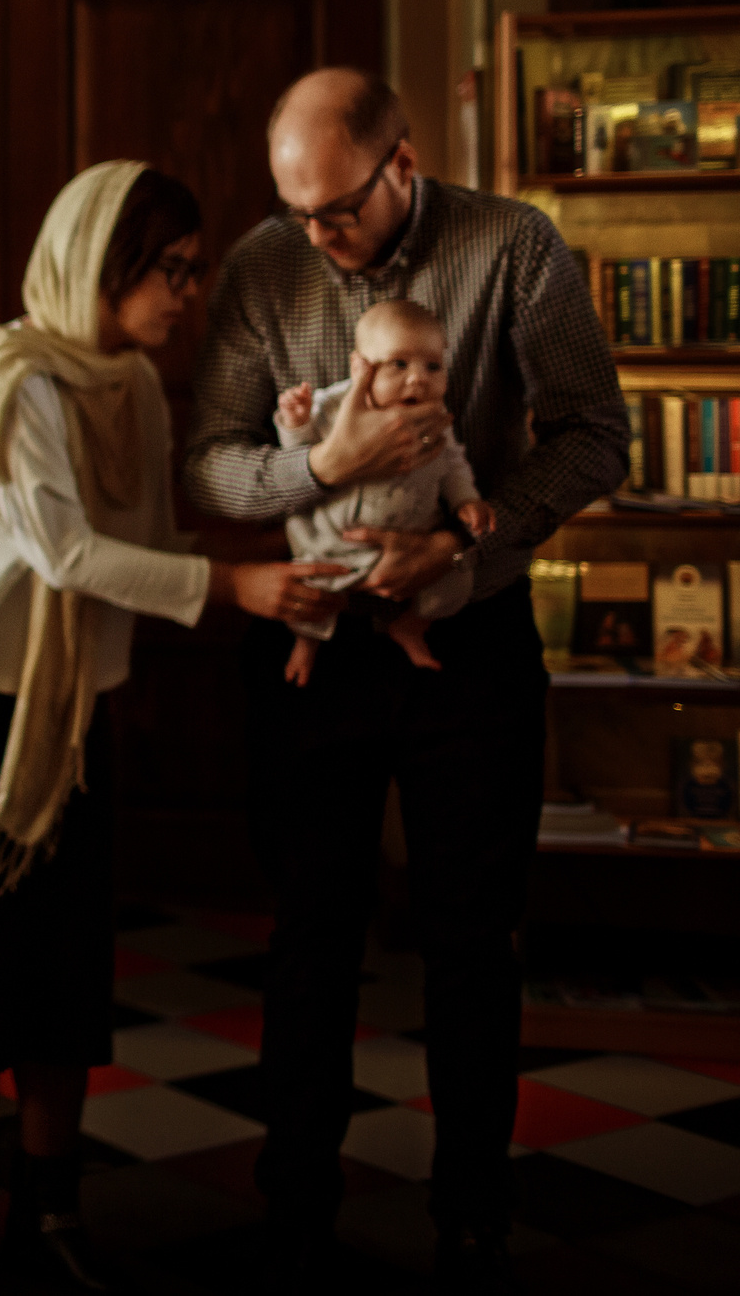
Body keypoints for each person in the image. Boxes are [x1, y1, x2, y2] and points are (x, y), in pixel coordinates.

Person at [184, 68, 628, 1291]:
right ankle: (294, 1207)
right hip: (313, 637)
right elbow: (210, 465)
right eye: (295, 212)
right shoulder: (262, 268)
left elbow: (595, 433)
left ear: (402, 165)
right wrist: (323, 465)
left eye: (338, 210)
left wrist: (466, 544)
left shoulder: (511, 247)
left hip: (467, 640)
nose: (315, 237)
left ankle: (473, 1214)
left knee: (472, 939)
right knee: (309, 934)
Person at [0, 162, 342, 1296]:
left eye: (192, 270)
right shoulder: (6, 379)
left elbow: (147, 542)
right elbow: (68, 555)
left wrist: (293, 541)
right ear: (98, 262)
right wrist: (234, 588)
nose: (186, 295)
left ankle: (50, 1212)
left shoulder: (131, 382)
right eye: (168, 271)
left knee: (65, 969)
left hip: (74, 706)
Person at [274, 299, 497, 685]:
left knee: (457, 579)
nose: (418, 379)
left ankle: (411, 625)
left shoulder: (435, 417)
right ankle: (306, 642)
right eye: (399, 364)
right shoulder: (332, 405)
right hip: (337, 542)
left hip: (416, 545)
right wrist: (296, 422)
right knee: (310, 589)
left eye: (432, 366)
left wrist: (466, 500)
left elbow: (453, 464)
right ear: (360, 367)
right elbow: (302, 455)